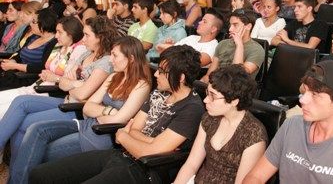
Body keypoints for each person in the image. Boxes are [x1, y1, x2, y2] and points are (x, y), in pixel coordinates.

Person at [29, 45, 205, 184]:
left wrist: (124, 136)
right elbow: (136, 129)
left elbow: (150, 152)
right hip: (121, 155)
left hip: (144, 171)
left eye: (161, 71)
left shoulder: (192, 108)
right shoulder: (160, 93)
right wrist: (145, 140)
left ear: (180, 77)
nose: (156, 74)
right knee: (40, 175)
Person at [6, 36, 151, 184]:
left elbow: (119, 119)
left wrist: (101, 112)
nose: (110, 59)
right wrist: (108, 111)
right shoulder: (114, 77)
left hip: (99, 136)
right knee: (36, 130)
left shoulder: (141, 85)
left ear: (131, 58)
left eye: (115, 55)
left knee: (36, 151)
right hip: (86, 124)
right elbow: (87, 107)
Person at [0, 16, 118, 165]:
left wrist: (71, 83)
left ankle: (18, 173)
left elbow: (81, 94)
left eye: (87, 35)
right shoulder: (87, 53)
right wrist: (75, 83)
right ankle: (17, 169)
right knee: (20, 102)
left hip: (77, 109)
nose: (83, 38)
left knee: (23, 122)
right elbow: (64, 83)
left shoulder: (106, 61)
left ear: (100, 37)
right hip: (67, 99)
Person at [174, 65, 267, 183]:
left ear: (234, 101)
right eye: (207, 93)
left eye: (213, 96)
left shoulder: (253, 135)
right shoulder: (209, 118)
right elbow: (191, 164)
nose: (205, 100)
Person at [0, 16, 85, 119]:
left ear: (71, 33)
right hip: (37, 85)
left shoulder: (79, 49)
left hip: (51, 91)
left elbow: (69, 79)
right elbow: (47, 68)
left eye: (59, 32)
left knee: (4, 109)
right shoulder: (58, 45)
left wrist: (53, 77)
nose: (56, 35)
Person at [0, 8, 58, 91]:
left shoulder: (53, 43)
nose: (30, 24)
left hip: (28, 79)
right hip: (16, 73)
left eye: (34, 22)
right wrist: (13, 60)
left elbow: (42, 67)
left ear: (44, 23)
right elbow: (19, 53)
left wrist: (15, 66)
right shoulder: (33, 37)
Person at [201, 9, 265, 82]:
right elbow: (209, 75)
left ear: (248, 27)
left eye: (235, 25)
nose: (230, 29)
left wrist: (239, 45)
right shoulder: (223, 44)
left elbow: (238, 76)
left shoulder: (257, 50)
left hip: (236, 89)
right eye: (230, 25)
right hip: (216, 84)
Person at [155, 9, 223, 68]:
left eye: (204, 22)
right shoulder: (192, 37)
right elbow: (172, 49)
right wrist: (170, 48)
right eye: (201, 20)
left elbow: (195, 62)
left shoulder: (214, 46)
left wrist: (171, 48)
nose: (199, 22)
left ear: (213, 29)